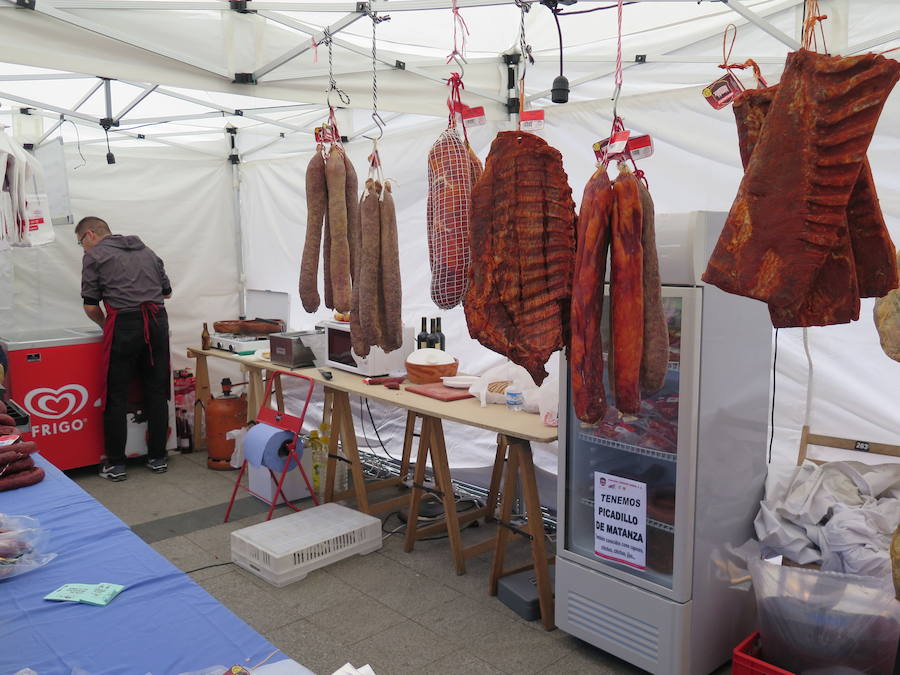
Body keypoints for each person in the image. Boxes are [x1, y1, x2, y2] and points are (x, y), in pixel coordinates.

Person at [77, 216, 172, 481]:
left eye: (80, 242)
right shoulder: (147, 250)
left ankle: (116, 464)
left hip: (124, 324)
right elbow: (167, 293)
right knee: (156, 390)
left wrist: (107, 324)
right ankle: (157, 458)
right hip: (157, 322)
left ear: (90, 234)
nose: (82, 248)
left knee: (116, 393)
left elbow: (91, 306)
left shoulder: (95, 256)